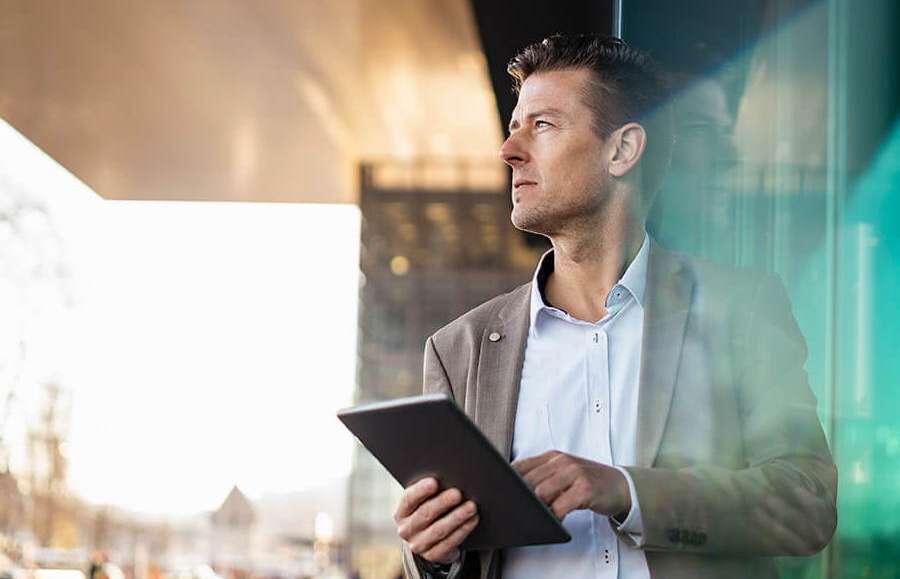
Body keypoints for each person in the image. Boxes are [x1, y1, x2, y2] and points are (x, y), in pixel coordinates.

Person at [394, 34, 837, 579]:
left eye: (543, 125)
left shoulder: (740, 310)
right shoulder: (458, 349)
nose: (509, 151)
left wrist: (624, 490)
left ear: (622, 150)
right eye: (514, 129)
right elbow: (448, 561)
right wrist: (432, 553)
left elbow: (807, 504)